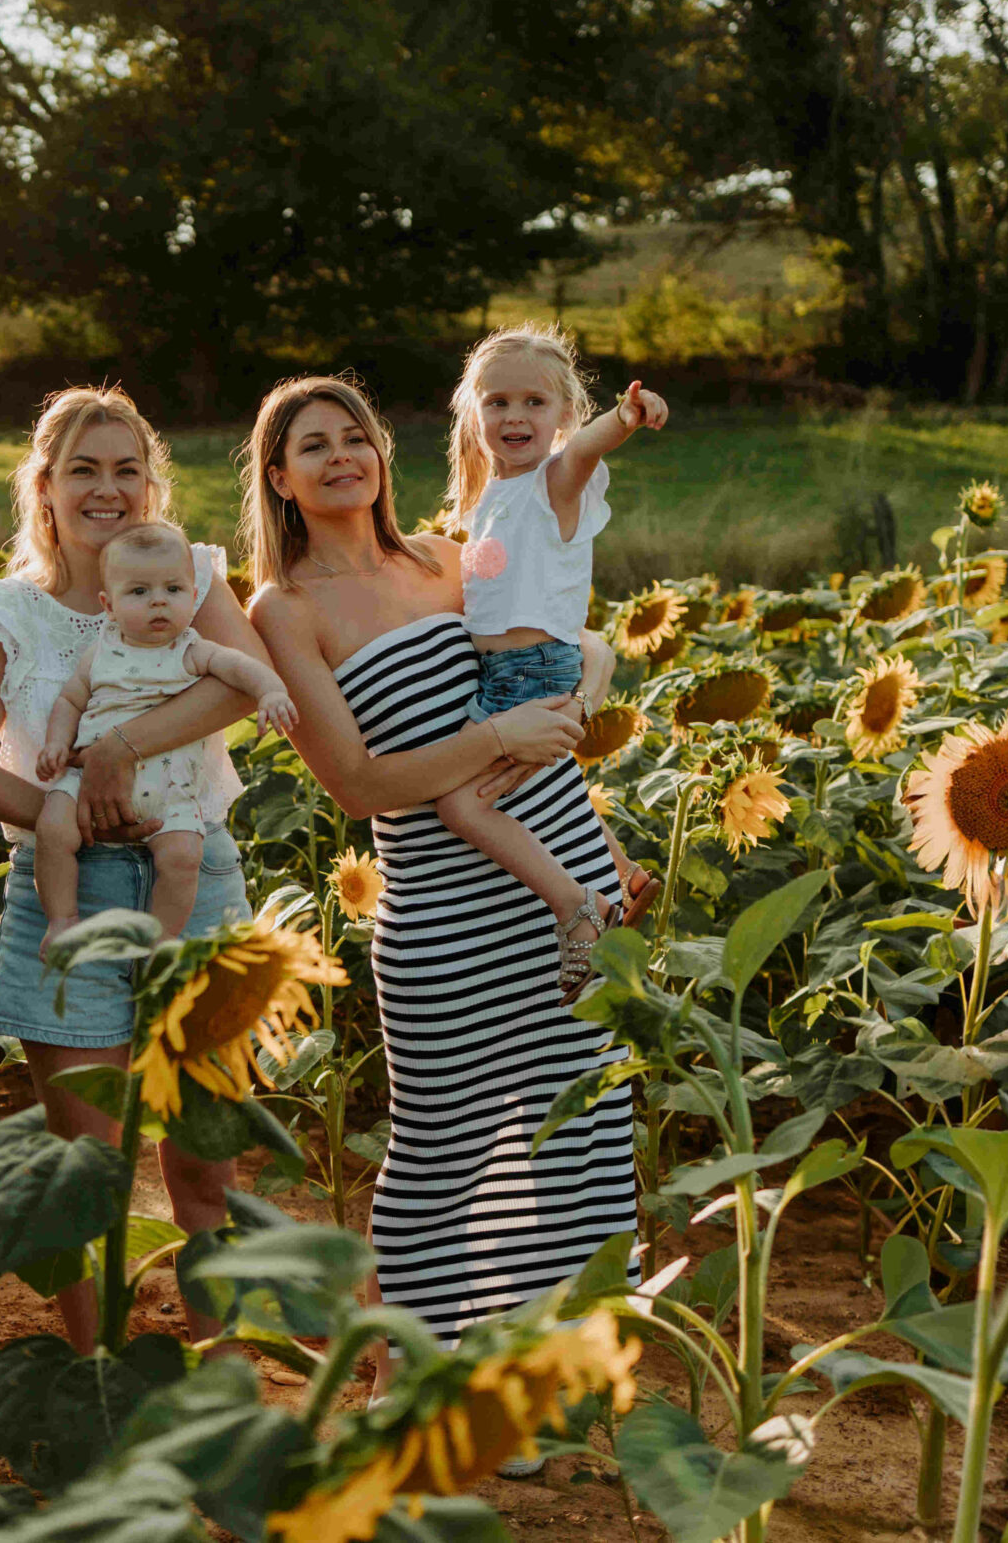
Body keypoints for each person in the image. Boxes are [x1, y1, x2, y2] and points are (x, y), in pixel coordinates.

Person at [243, 374, 637, 1478]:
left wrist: (598, 842)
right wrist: (500, 732)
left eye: (354, 436)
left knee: (572, 1132)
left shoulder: (452, 556)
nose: (339, 457)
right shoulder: (286, 610)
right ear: (277, 480)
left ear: (382, 450)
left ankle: (525, 1380)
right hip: (441, 914)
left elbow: (543, 670)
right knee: (445, 1153)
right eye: (309, 446)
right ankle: (406, 1376)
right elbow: (359, 784)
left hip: (555, 876)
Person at [0, 387, 276, 1354]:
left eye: (128, 468)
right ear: (43, 487)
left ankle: (215, 1383)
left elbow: (241, 690)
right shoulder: (2, 613)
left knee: (206, 1167)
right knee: (86, 1172)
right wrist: (73, 813)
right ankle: (100, 1384)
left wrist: (119, 749)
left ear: (152, 483)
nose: (108, 489)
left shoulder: (191, 575)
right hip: (65, 896)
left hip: (192, 877)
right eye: (84, 468)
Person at [435, 325, 665, 994]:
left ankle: (576, 905)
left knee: (462, 805)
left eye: (534, 402)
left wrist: (626, 417)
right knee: (544, 792)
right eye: (497, 401)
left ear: (566, 413)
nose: (514, 416)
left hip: (533, 674)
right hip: (516, 673)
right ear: (472, 411)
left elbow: (586, 452)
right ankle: (623, 875)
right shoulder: (491, 503)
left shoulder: (552, 483)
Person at [34, 522, 300, 949]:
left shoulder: (191, 650)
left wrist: (270, 690)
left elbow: (240, 666)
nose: (159, 600)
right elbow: (69, 701)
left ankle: (160, 940)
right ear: (109, 605)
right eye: (139, 592)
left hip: (172, 791)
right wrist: (56, 743)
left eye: (173, 590)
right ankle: (62, 920)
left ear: (193, 598)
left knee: (183, 858)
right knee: (53, 830)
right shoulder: (101, 652)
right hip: (88, 781)